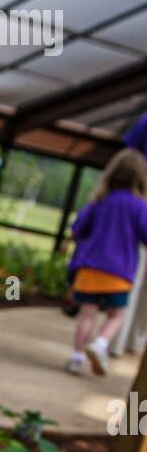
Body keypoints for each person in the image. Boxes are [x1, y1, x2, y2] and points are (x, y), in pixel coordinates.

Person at [66, 148, 147, 375]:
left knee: (87, 314)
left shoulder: (98, 202)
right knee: (116, 315)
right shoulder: (139, 206)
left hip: (89, 268)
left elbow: (78, 230)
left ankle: (76, 357)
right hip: (118, 272)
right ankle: (100, 344)